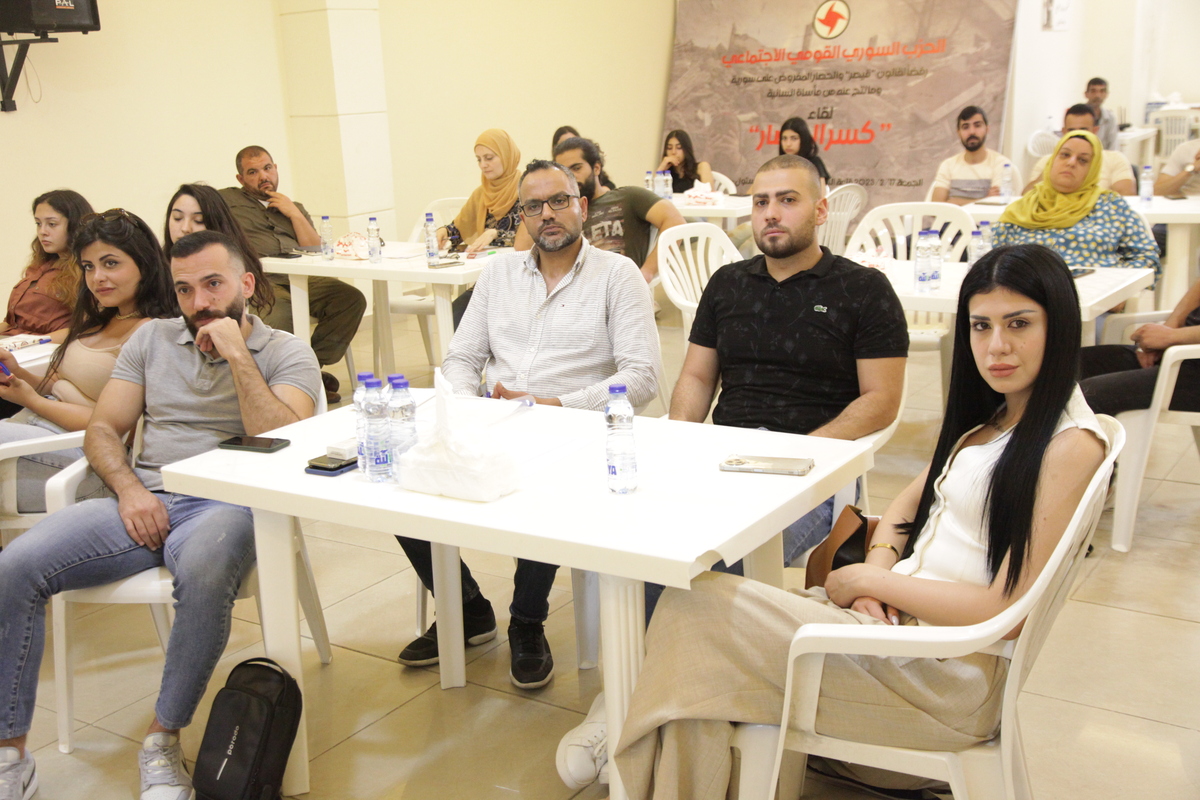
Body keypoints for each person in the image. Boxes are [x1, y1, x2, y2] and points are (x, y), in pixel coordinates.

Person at [573, 244, 1109, 799]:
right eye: (981, 326)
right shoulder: (999, 418)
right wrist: (878, 574)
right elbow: (908, 506)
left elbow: (1009, 611)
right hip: (902, 636)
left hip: (943, 681)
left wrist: (872, 582)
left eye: (1018, 324)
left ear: (1059, 325)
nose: (996, 346)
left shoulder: (1068, 444)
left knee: (696, 609)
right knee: (701, 655)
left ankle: (629, 748)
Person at [0, 230, 321, 800]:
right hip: (143, 498)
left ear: (246, 284)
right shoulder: (151, 340)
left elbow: (284, 443)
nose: (200, 302)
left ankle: (162, 740)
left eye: (214, 284)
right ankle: (11, 754)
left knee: (204, 571)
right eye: (185, 289)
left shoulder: (286, 351)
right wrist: (128, 490)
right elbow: (104, 428)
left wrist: (237, 355)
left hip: (227, 503)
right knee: (15, 566)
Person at [394, 159, 660, 690]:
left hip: (574, 427)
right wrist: (466, 408)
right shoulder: (498, 275)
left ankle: (527, 619)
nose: (548, 214)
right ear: (523, 217)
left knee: (547, 485)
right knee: (403, 475)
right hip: (494, 418)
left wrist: (554, 405)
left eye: (559, 201)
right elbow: (462, 358)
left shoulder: (618, 275)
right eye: (534, 206)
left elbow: (641, 378)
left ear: (582, 206)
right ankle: (467, 608)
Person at [669, 154, 907, 567]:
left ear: (821, 211)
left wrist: (803, 452)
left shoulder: (863, 289)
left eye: (788, 200)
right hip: (725, 459)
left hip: (813, 472)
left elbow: (882, 400)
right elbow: (697, 377)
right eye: (761, 202)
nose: (771, 214)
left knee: (713, 560)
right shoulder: (728, 283)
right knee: (642, 542)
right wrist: (677, 440)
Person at [0, 209, 177, 515]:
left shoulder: (152, 332)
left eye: (111, 263)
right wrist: (17, 372)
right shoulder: (102, 318)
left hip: (86, 461)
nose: (98, 278)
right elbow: (59, 386)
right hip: (39, 433)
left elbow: (123, 431)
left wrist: (33, 401)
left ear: (144, 264)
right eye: (88, 266)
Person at [220, 145, 365, 404]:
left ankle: (307, 370)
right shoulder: (227, 202)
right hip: (262, 279)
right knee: (279, 311)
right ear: (241, 179)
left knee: (350, 299)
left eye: (267, 168)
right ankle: (293, 378)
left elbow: (315, 248)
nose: (263, 176)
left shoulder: (293, 206)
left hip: (302, 275)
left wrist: (294, 214)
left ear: (276, 169)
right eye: (253, 172)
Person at [993, 131, 1160, 281]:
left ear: (1093, 170)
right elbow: (993, 259)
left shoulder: (1111, 206)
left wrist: (1119, 289)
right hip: (1028, 296)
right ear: (1052, 161)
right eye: (1065, 155)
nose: (1071, 163)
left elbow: (1146, 256)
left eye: (1083, 160)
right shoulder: (1024, 206)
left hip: (1096, 296)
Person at [554, 137, 686, 283]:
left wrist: (647, 272)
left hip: (623, 288)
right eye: (565, 172)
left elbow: (675, 222)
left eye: (577, 168)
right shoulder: (564, 212)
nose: (571, 177)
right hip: (582, 291)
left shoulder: (628, 197)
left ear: (596, 168)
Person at [1079, 277, 1200, 416]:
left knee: (1084, 397)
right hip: (1181, 351)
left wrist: (1171, 336)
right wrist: (1167, 332)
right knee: (1064, 365)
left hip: (1192, 367)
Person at [163, 183, 276, 317]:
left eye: (198, 221)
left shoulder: (235, 267)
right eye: (177, 218)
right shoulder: (158, 268)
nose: (185, 228)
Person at [1, 190, 94, 343]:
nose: (42, 232)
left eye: (52, 224)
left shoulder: (88, 271)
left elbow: (86, 329)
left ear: (75, 226)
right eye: (38, 224)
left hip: (43, 350)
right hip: (13, 344)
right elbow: (11, 323)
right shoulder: (40, 266)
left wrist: (26, 345)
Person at [436, 129, 534, 254]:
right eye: (479, 159)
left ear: (507, 156)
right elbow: (460, 229)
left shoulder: (528, 190)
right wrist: (445, 232)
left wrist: (495, 234)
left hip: (520, 261)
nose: (483, 165)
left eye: (489, 158)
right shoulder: (481, 194)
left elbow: (536, 236)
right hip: (486, 261)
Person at [1024, 105, 1135, 195]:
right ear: (1064, 132)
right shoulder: (1047, 161)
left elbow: (1127, 198)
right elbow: (1026, 198)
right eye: (1071, 131)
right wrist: (1049, 171)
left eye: (1083, 130)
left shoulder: (1114, 159)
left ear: (1095, 131)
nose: (1077, 135)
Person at [930, 106, 1021, 205]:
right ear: (958, 133)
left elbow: (995, 205)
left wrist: (953, 202)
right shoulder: (948, 165)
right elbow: (937, 205)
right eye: (965, 127)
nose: (972, 132)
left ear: (987, 129)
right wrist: (983, 200)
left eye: (977, 126)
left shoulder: (1001, 164)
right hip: (952, 216)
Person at [778, 116, 830, 188]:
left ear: (803, 139)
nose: (788, 144)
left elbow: (821, 193)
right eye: (784, 138)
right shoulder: (778, 165)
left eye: (794, 138)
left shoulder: (814, 163)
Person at [657, 129, 714, 193]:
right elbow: (652, 195)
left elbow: (710, 194)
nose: (673, 152)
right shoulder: (666, 172)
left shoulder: (702, 167)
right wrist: (661, 168)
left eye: (679, 148)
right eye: (669, 148)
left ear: (686, 149)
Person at [1085, 77, 1119, 151]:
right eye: (1093, 91)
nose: (1097, 95)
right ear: (1086, 94)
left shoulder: (1110, 118)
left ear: (1106, 94)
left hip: (1104, 157)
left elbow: (1113, 146)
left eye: (1102, 91)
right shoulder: (1077, 115)